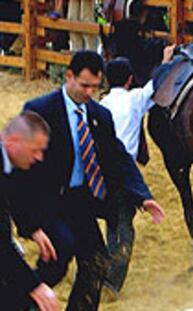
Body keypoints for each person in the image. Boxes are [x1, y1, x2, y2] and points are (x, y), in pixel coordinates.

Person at [19, 50, 165, 310]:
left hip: (79, 202)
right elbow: (22, 172)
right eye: (84, 85)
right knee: (56, 262)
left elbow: (119, 158)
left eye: (95, 88)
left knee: (96, 262)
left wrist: (143, 197)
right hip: (49, 203)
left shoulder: (100, 115)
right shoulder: (39, 111)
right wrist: (30, 222)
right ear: (69, 76)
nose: (88, 93)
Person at [99, 45, 174, 296]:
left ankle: (100, 273)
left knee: (111, 224)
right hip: (122, 174)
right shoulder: (135, 99)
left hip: (97, 173)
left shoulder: (101, 104)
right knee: (123, 228)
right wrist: (165, 59)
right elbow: (158, 82)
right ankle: (111, 282)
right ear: (130, 79)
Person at [0, 111, 60, 311]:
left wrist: (32, 229)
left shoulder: (9, 162)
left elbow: (14, 197)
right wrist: (33, 285)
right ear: (13, 141)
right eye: (35, 150)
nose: (40, 157)